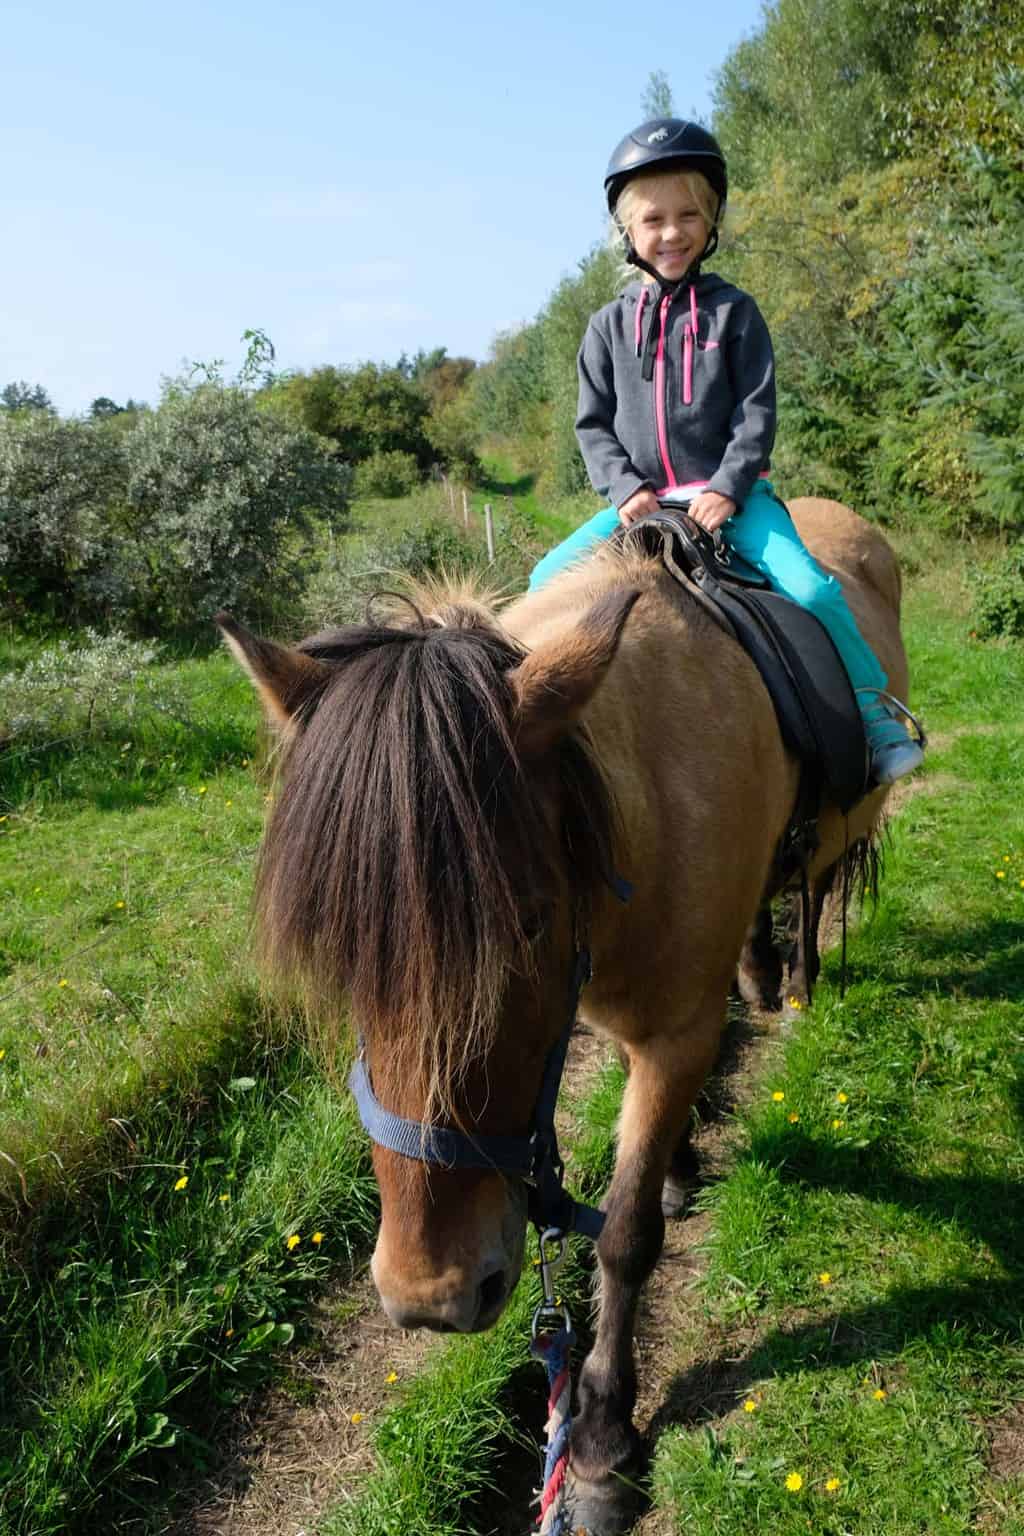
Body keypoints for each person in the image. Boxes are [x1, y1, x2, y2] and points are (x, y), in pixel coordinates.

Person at [528, 117, 924, 786]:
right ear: (628, 231)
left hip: (730, 500)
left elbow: (756, 411)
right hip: (640, 504)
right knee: (544, 583)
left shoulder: (736, 314)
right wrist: (625, 490)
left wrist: (730, 487)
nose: (672, 231)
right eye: (653, 218)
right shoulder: (605, 329)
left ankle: (873, 710)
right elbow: (592, 425)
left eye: (689, 214)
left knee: (813, 588)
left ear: (712, 222)